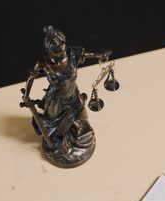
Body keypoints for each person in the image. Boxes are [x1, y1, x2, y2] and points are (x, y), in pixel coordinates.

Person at [22, 26, 111, 168]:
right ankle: (61, 145)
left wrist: (100, 55)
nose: (62, 51)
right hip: (56, 102)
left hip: (73, 97)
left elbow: (87, 55)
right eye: (57, 50)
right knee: (56, 130)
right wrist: (26, 96)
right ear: (49, 50)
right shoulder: (43, 63)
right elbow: (30, 78)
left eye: (62, 46)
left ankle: (71, 140)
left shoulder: (72, 53)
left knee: (84, 125)